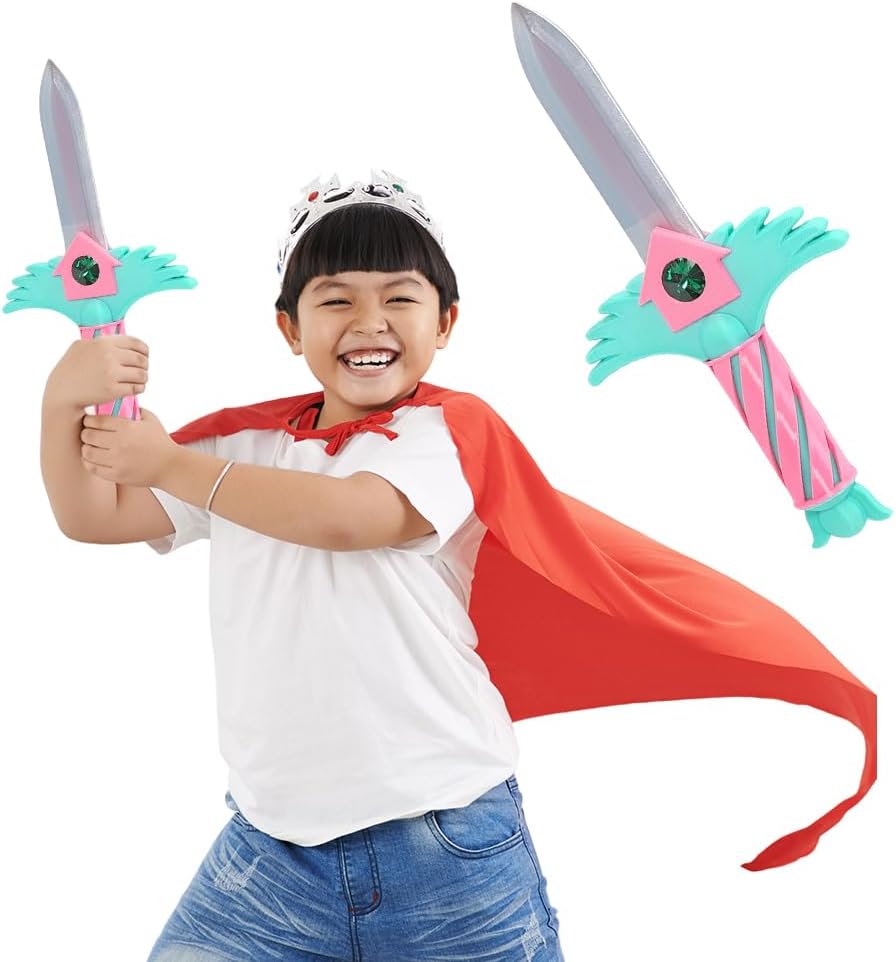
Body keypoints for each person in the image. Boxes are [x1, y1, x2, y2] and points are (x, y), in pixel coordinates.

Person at [41, 169, 875, 962]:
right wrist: (63, 399)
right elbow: (95, 514)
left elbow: (353, 518)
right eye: (336, 299)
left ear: (444, 323)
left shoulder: (444, 435)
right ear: (291, 328)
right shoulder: (242, 445)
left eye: (400, 297)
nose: (369, 321)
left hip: (442, 845)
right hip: (268, 849)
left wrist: (171, 464)